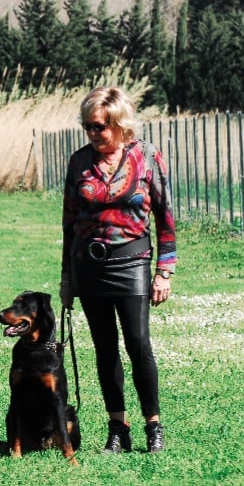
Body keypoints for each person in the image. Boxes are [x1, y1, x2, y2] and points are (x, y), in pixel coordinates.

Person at [59, 86, 176, 454]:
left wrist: (165, 270)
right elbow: (68, 221)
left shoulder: (147, 158)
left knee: (138, 344)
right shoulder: (79, 162)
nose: (94, 134)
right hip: (88, 265)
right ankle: (117, 426)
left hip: (133, 261)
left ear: (119, 124)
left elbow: (165, 216)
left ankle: (152, 425)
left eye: (100, 127)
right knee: (104, 348)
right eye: (88, 127)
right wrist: (67, 278)